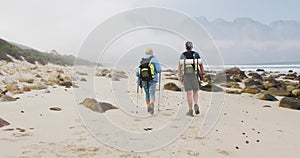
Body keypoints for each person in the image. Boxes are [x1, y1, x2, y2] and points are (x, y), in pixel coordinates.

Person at [178, 41, 205, 117]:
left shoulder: (182, 55)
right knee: (195, 91)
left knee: (188, 93)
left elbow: (179, 66)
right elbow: (201, 65)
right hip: (195, 75)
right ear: (192, 47)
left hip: (186, 76)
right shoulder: (196, 54)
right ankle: (196, 104)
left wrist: (179, 76)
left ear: (185, 47)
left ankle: (190, 110)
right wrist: (202, 75)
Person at [136, 48, 162, 115]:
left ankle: (148, 107)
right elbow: (159, 70)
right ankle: (152, 105)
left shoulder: (142, 60)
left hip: (143, 80)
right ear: (152, 53)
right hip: (152, 79)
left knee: (147, 94)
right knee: (152, 93)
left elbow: (137, 73)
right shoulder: (154, 60)